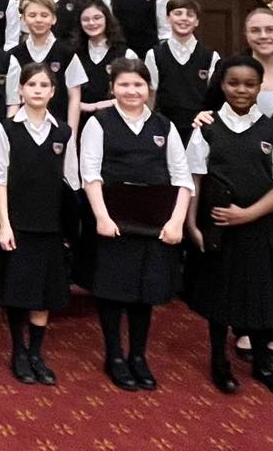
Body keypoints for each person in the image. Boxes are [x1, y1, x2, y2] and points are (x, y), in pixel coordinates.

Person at [184, 57, 273, 399]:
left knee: (260, 295)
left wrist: (247, 215)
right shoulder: (206, 129)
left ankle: (263, 364)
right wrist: (193, 225)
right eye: (234, 83)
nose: (241, 90)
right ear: (222, 85)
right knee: (220, 296)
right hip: (217, 228)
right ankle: (219, 361)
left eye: (249, 84)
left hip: (258, 228)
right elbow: (194, 182)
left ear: (259, 87)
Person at [80, 58, 193, 392]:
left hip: (155, 222)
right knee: (114, 290)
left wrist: (176, 222)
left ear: (148, 89)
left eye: (138, 85)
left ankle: (139, 356)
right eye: (124, 85)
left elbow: (182, 177)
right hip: (113, 220)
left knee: (146, 292)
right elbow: (91, 173)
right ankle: (115, 355)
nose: (131, 91)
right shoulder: (99, 123)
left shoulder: (164, 125)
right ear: (113, 88)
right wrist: (101, 216)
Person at [0, 63, 80, 385]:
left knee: (45, 293)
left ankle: (36, 352)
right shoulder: (7, 129)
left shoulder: (63, 132)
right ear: (21, 90)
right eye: (32, 85)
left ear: (53, 92)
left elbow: (71, 180)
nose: (38, 90)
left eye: (44, 85)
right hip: (19, 224)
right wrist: (4, 224)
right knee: (20, 291)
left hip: (51, 225)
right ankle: (18, 351)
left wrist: (71, 229)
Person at [7, 0, 85, 136]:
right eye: (32, 15)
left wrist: (71, 135)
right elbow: (13, 99)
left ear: (53, 19)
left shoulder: (67, 53)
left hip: (57, 128)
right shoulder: (15, 55)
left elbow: (74, 97)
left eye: (44, 15)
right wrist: (9, 131)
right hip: (24, 131)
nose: (38, 20)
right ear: (23, 20)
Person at [144, 0, 219, 137]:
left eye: (190, 15)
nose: (184, 18)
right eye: (178, 13)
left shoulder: (211, 56)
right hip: (164, 127)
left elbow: (214, 98)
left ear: (197, 21)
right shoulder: (154, 55)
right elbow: (150, 94)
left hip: (199, 128)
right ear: (168, 18)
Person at [75, 0, 136, 117]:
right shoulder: (73, 54)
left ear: (107, 19)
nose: (91, 23)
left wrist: (95, 106)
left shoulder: (126, 54)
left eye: (97, 18)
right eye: (86, 19)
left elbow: (133, 91)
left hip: (117, 118)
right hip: (81, 118)